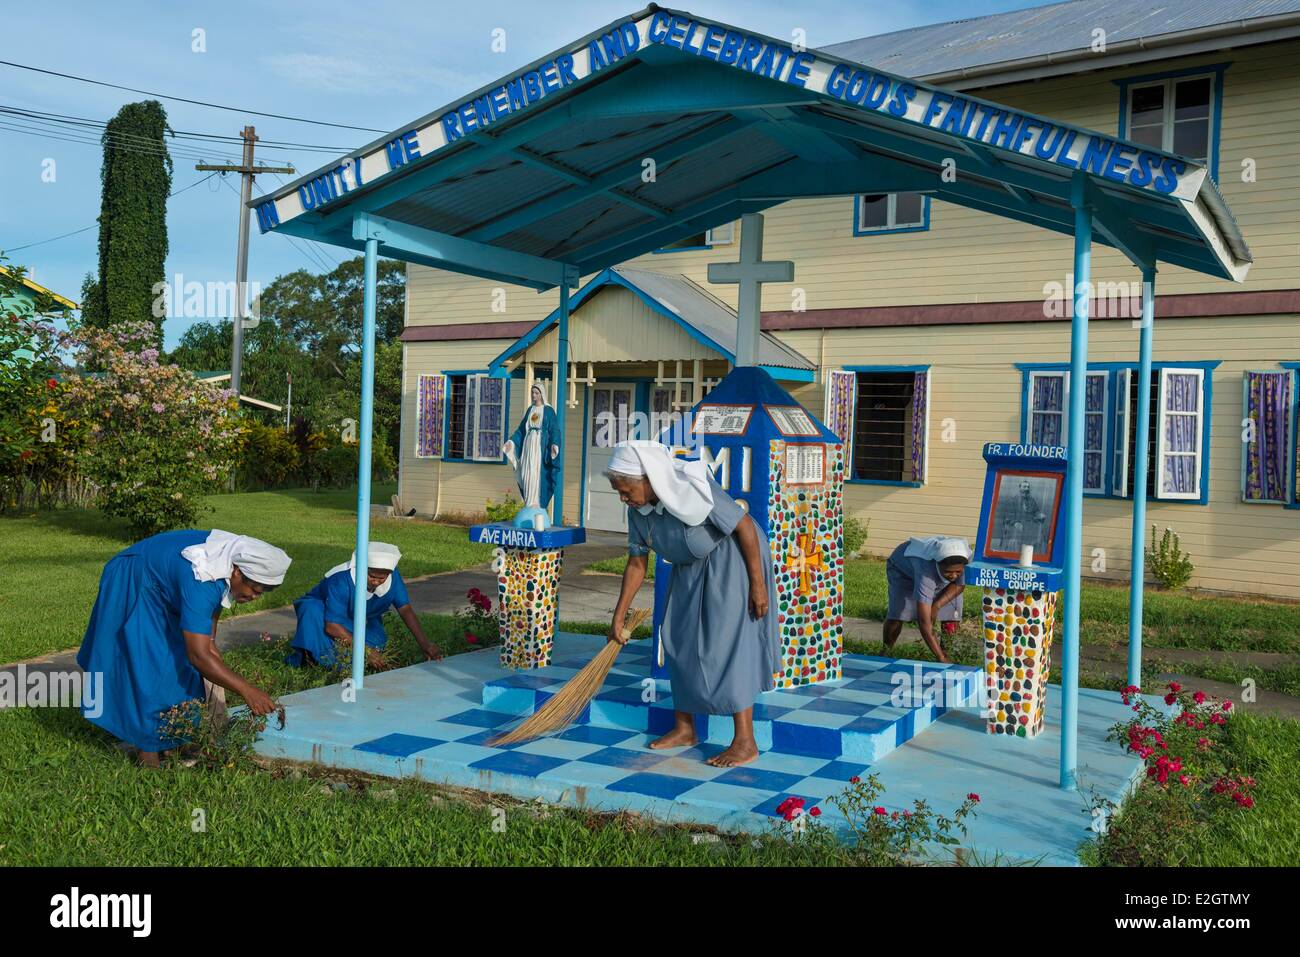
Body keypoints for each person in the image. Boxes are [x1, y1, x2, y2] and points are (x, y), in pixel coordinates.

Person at [605, 440, 778, 768]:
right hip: (689, 566)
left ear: (649, 479)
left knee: (727, 643)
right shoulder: (637, 512)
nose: (623, 498)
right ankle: (685, 728)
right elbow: (636, 563)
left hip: (734, 560)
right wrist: (619, 615)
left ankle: (745, 741)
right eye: (619, 492)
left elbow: (743, 526)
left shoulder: (694, 488)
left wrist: (758, 586)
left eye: (626, 490)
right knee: (676, 637)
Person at [76, 529, 291, 767]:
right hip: (134, 576)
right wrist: (246, 690)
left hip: (164, 581)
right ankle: (147, 753)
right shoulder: (203, 579)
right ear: (237, 572)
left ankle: (171, 740)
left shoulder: (224, 563)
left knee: (180, 665)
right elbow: (198, 655)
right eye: (254, 590)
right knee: (148, 663)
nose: (254, 598)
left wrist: (211, 648)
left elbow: (209, 629)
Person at [286, 542, 442, 668]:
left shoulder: (393, 577)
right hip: (324, 616)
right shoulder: (340, 581)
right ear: (361, 567)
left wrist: (425, 644)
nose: (376, 582)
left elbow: (405, 609)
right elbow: (332, 626)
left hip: (358, 618)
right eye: (372, 576)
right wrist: (366, 652)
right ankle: (312, 660)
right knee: (314, 617)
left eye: (382, 578)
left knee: (378, 643)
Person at [882, 535, 971, 664]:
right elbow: (924, 621)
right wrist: (940, 658)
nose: (953, 575)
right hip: (902, 572)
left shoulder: (965, 558)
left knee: (952, 612)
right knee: (899, 612)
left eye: (958, 571)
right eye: (948, 572)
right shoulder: (926, 570)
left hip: (933, 571)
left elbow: (959, 585)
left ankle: (946, 652)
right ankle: (885, 652)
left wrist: (936, 606)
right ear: (937, 564)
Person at [502, 382, 561, 510]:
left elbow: (555, 430)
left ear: (542, 394)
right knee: (526, 472)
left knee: (536, 473)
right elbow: (521, 430)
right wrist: (511, 442)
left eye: (536, 393)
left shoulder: (549, 411)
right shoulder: (530, 410)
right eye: (532, 393)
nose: (534, 395)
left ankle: (536, 503)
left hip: (540, 447)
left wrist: (554, 444)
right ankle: (528, 502)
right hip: (528, 446)